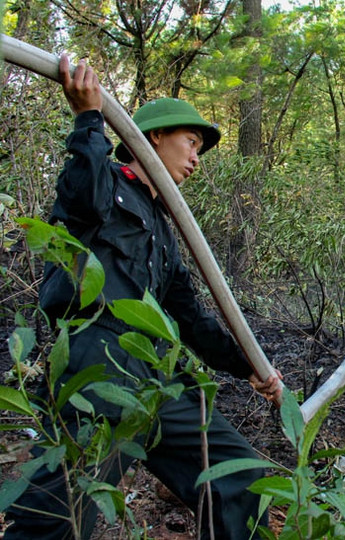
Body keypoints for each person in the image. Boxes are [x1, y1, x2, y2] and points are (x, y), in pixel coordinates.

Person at [3, 55, 282, 540]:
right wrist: (89, 118)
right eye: (190, 142)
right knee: (57, 518)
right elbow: (80, 196)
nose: (196, 157)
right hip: (98, 369)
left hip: (159, 381)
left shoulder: (166, 228)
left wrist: (249, 366)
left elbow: (190, 318)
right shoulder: (103, 183)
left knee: (237, 476)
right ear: (154, 136)